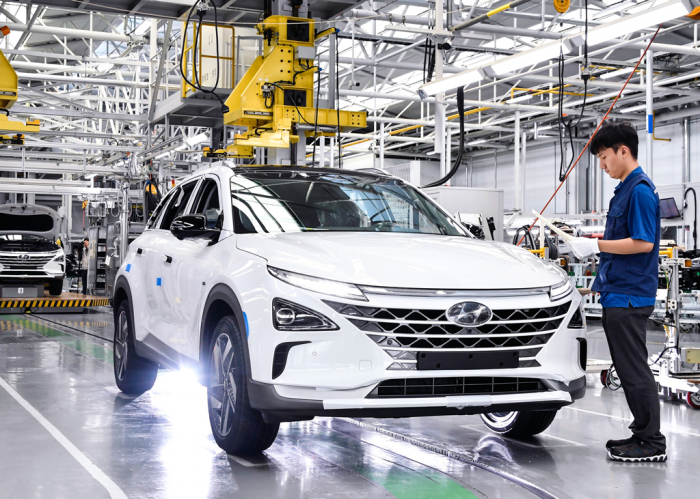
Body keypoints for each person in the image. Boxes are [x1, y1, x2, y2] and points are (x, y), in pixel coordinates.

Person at [568, 122, 665, 463]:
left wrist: (593, 244)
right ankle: (643, 433)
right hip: (617, 293)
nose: (602, 165)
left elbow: (643, 243)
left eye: (605, 156)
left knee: (634, 369)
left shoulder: (639, 190)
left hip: (629, 296)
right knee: (628, 369)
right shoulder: (624, 190)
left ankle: (651, 441)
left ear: (624, 151)